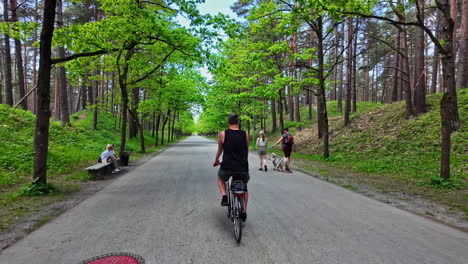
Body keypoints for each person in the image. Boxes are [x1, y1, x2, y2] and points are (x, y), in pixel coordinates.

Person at [213, 113, 249, 222]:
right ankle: (244, 212)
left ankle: (224, 196)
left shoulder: (223, 134)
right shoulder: (245, 134)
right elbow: (246, 150)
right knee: (244, 187)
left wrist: (216, 160)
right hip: (242, 167)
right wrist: (244, 162)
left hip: (227, 166)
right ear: (238, 122)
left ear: (228, 122)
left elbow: (220, 150)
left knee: (220, 178)